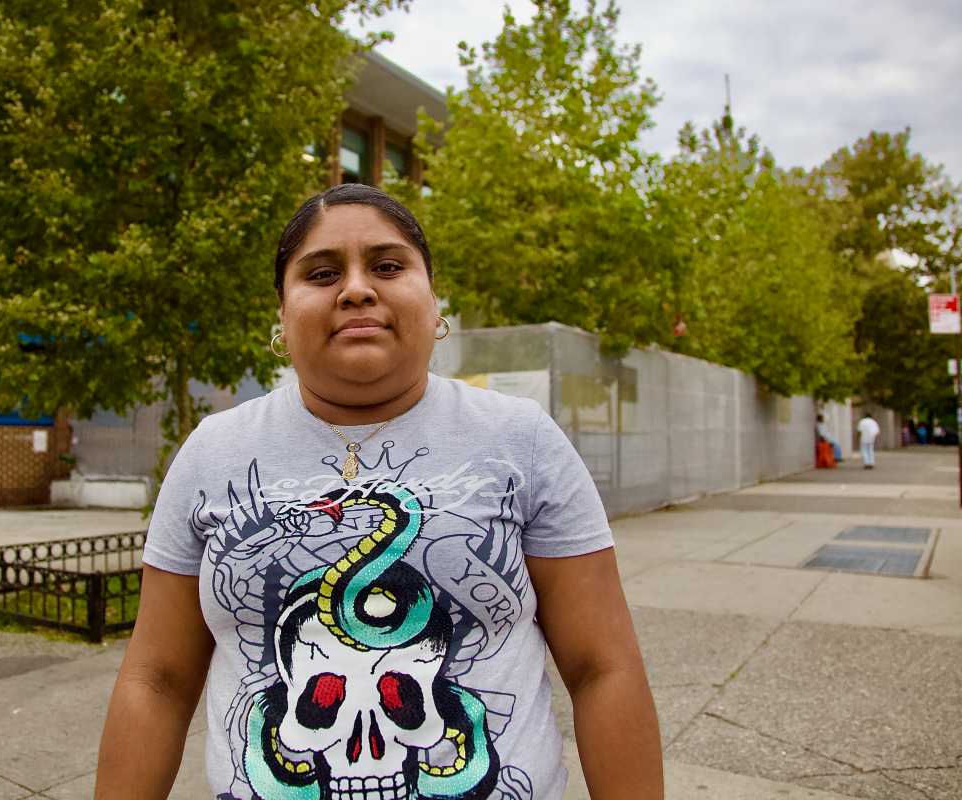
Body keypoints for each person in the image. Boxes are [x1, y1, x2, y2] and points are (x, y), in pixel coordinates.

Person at [96, 185, 663, 799]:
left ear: (434, 301)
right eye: (321, 273)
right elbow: (156, 680)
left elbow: (603, 669)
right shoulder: (214, 452)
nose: (357, 288)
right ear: (282, 317)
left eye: (389, 266)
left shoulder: (520, 439)